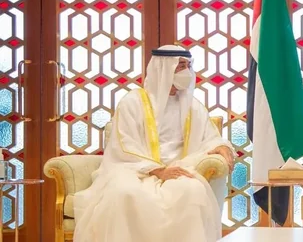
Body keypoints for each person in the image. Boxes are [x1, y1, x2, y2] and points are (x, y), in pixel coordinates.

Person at [73, 45, 235, 242]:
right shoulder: (133, 102)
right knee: (124, 193)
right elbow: (125, 146)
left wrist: (221, 146)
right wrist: (157, 170)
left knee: (193, 192)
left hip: (179, 169)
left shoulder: (193, 106)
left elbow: (210, 137)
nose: (186, 71)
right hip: (135, 171)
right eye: (180, 66)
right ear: (163, 68)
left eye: (188, 66)